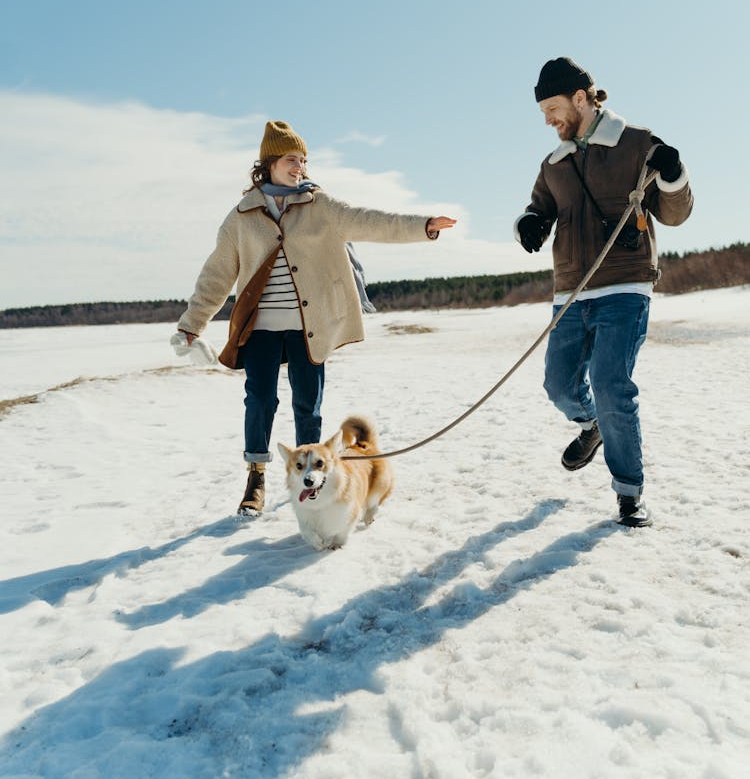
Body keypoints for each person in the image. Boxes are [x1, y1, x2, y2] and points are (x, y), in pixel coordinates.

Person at [174, 120, 457, 516]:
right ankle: (256, 477)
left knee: (309, 406)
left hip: (309, 328)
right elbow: (217, 273)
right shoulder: (242, 217)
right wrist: (192, 323)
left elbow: (368, 219)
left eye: (304, 161)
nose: (300, 168)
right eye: (292, 159)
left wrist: (421, 226)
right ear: (270, 162)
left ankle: (311, 481)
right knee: (259, 400)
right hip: (261, 331)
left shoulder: (318, 205)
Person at [514, 57, 693, 527]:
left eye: (552, 108)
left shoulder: (636, 144)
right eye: (542, 113)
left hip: (626, 284)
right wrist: (528, 223)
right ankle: (590, 425)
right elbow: (537, 208)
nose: (548, 120)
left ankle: (629, 494)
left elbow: (675, 214)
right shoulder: (554, 163)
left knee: (612, 384)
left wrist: (673, 172)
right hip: (570, 291)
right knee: (558, 385)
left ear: (581, 98)